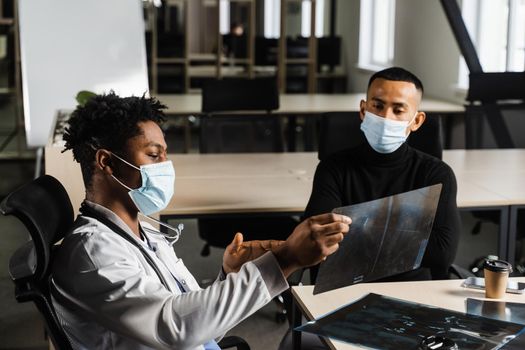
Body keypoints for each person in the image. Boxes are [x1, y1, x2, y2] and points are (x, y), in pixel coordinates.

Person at [50, 92, 351, 350]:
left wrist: (229, 275)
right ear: (107, 162)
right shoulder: (95, 252)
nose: (166, 166)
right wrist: (285, 260)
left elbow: (200, 325)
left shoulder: (143, 234)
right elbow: (176, 329)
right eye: (154, 155)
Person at [304, 67, 460, 283]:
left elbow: (442, 253)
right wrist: (411, 234)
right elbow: (319, 238)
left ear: (416, 121)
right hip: (344, 285)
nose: (386, 117)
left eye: (398, 110)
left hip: (411, 290)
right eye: (377, 106)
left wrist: (357, 228)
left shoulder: (436, 173)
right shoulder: (333, 168)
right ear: (363, 110)